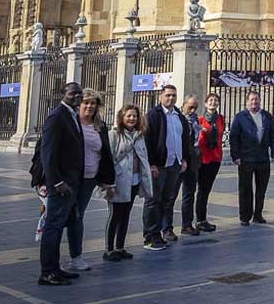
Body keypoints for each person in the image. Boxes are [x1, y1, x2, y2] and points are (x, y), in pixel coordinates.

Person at [38, 82, 87, 286]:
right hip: (61, 184)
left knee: (58, 226)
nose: (77, 96)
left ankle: (55, 268)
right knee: (53, 226)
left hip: (71, 181)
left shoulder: (71, 115)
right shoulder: (56, 116)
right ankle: (47, 272)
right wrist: (56, 181)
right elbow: (47, 154)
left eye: (79, 93)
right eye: (72, 93)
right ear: (62, 94)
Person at [64, 89, 114, 272]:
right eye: (86, 102)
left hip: (89, 179)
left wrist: (108, 181)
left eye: (94, 103)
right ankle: (52, 257)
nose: (90, 106)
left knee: (78, 216)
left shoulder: (100, 126)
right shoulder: (70, 122)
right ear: (78, 104)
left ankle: (75, 256)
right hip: (70, 179)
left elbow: (106, 154)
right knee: (61, 217)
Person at [143, 85, 192, 250]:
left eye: (174, 95)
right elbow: (147, 141)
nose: (171, 98)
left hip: (175, 164)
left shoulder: (179, 116)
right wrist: (151, 164)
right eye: (168, 95)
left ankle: (164, 230)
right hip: (159, 165)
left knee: (167, 199)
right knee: (153, 201)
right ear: (161, 96)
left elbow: (185, 139)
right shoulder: (153, 115)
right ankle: (150, 236)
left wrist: (184, 159)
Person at [104, 104, 152, 262]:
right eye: (129, 116)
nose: (132, 119)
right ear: (122, 118)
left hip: (135, 180)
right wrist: (109, 184)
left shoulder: (139, 135)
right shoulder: (114, 134)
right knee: (114, 215)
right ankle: (109, 249)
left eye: (135, 116)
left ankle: (120, 247)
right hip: (119, 180)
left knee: (125, 214)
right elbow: (108, 159)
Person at [229, 91, 274, 226]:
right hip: (246, 158)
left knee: (261, 188)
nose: (254, 102)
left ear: (260, 101)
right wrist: (235, 156)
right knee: (245, 189)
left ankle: (258, 214)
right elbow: (233, 137)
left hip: (262, 158)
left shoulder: (266, 115)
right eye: (251, 100)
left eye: (256, 100)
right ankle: (245, 217)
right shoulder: (240, 117)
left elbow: (273, 134)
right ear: (247, 102)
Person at [193, 94, 225, 232]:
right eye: (210, 100)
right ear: (205, 104)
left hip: (215, 158)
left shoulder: (221, 119)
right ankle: (200, 219)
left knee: (206, 190)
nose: (213, 102)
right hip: (203, 159)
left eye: (215, 100)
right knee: (201, 190)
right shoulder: (199, 120)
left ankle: (202, 219)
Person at [179, 95, 203, 235]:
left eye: (195, 107)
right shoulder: (178, 119)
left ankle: (187, 224)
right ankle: (166, 227)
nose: (192, 110)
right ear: (183, 105)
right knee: (170, 196)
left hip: (193, 160)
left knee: (189, 193)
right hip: (179, 160)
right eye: (190, 106)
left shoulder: (196, 121)